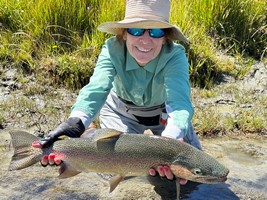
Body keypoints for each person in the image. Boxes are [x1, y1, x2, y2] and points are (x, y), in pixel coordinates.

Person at [32, 0, 202, 185]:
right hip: (120, 112)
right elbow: (97, 89)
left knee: (194, 173)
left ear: (165, 37)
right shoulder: (111, 49)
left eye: (155, 31)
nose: (145, 40)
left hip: (164, 116)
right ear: (124, 34)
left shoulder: (175, 55)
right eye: (136, 30)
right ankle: (90, 132)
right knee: (111, 172)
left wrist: (169, 142)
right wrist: (76, 122)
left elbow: (179, 104)